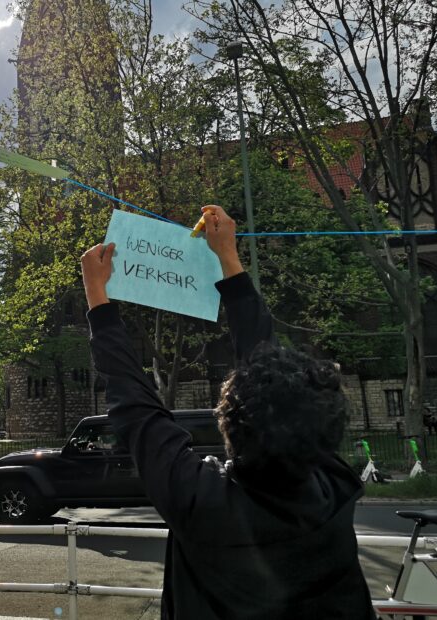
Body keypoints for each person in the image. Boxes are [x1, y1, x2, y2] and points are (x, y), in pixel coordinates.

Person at [80, 205, 376, 619]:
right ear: (329, 429)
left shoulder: (202, 500)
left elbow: (136, 408)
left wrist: (98, 295)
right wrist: (228, 259)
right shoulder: (336, 487)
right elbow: (139, 410)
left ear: (228, 421)